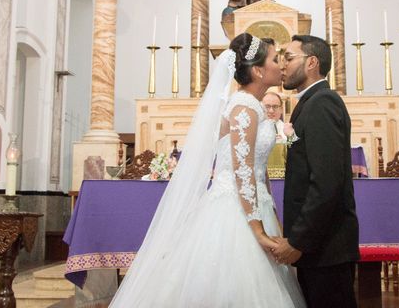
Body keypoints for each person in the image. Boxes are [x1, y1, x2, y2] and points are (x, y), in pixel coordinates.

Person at [109, 34, 305, 308]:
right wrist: (258, 231)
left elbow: (257, 171)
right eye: (274, 59)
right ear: (258, 70)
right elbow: (243, 170)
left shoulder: (254, 107)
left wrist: (269, 210)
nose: (280, 64)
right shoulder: (244, 107)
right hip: (234, 211)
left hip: (254, 205)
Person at [273, 34, 359, 308]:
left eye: (289, 57)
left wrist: (298, 240)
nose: (282, 65)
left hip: (327, 247)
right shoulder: (309, 102)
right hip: (318, 247)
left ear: (311, 62)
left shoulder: (323, 103)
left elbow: (326, 183)